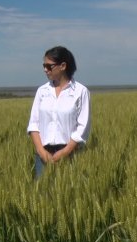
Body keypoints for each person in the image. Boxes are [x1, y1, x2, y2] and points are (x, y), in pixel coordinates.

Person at [27, 46, 90, 179]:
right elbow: (33, 124)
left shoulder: (81, 91)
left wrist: (64, 152)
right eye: (44, 65)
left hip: (71, 154)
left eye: (49, 66)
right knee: (42, 196)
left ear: (63, 66)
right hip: (43, 155)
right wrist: (41, 151)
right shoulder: (42, 91)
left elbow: (82, 127)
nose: (45, 69)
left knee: (72, 196)